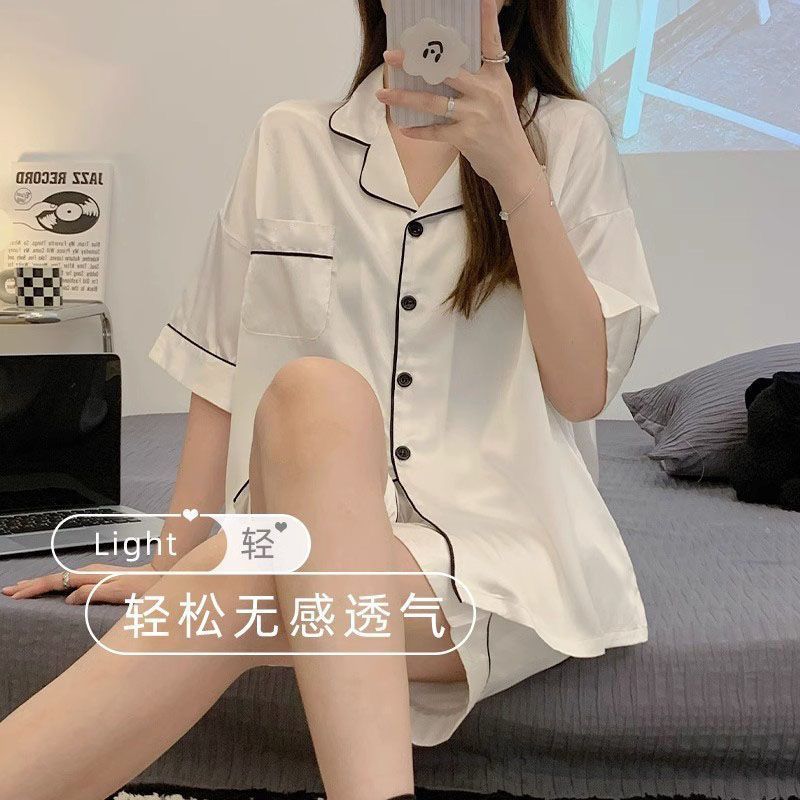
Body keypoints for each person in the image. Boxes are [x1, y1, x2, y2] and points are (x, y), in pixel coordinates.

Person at [0, 1, 659, 799]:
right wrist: (173, 562)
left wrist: (515, 173)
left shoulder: (567, 140)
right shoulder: (291, 138)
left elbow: (582, 390)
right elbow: (219, 370)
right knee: (314, 394)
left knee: (240, 575)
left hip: (498, 555)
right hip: (293, 530)